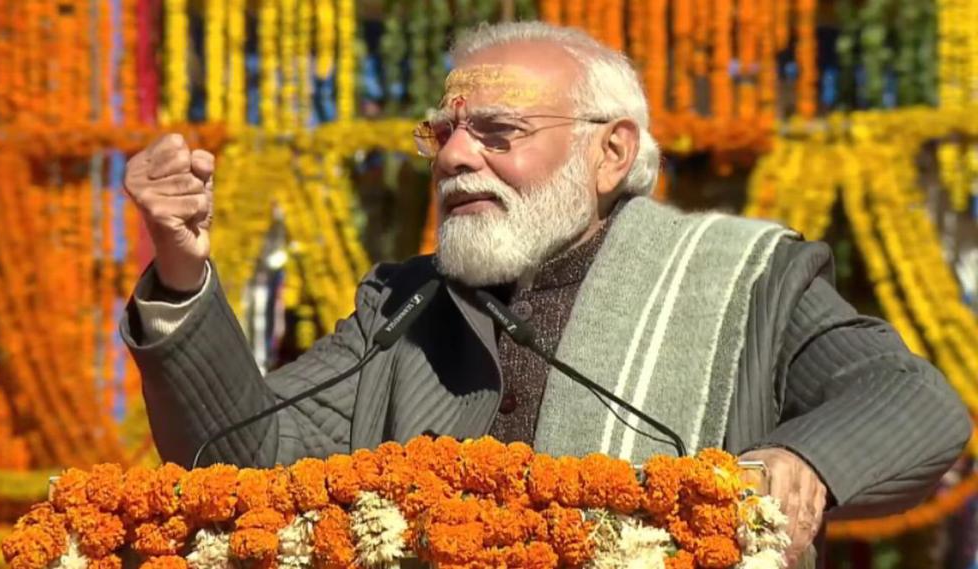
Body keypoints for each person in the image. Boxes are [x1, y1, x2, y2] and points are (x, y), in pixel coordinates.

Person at [121, 22, 971, 566]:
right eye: (444, 133)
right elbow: (241, 460)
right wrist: (183, 270)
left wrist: (802, 462)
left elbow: (911, 400)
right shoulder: (403, 305)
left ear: (611, 153)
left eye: (498, 133)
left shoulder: (750, 277)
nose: (456, 157)